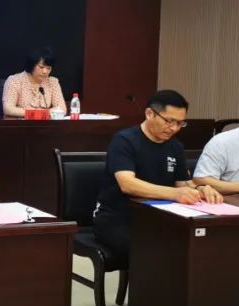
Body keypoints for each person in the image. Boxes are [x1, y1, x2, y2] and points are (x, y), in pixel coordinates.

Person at [93, 90, 221, 264]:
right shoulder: (124, 140)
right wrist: (175, 194)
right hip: (119, 218)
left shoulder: (175, 147)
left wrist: (200, 189)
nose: (174, 128)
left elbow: (182, 184)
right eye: (169, 121)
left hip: (160, 217)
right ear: (149, 114)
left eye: (180, 123)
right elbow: (128, 185)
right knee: (156, 251)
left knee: (199, 245)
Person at [1, 46, 67, 118]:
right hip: (20, 123)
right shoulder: (15, 80)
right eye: (41, 67)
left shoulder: (53, 82)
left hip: (45, 124)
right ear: (32, 65)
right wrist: (37, 114)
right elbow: (8, 109)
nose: (45, 71)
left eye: (49, 68)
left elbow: (62, 109)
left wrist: (40, 114)